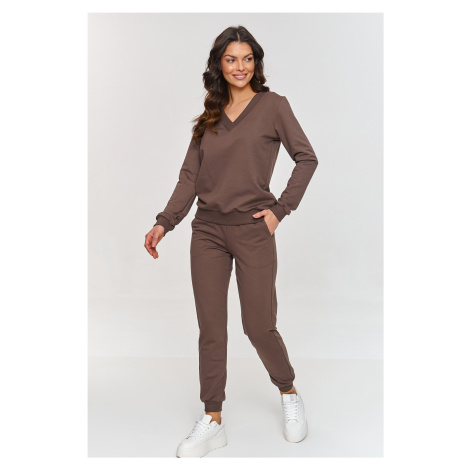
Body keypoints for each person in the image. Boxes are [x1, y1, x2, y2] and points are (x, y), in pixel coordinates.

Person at [144, 25, 319, 458]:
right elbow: (190, 177)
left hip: (253, 230)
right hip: (207, 231)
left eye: (247, 58)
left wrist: (280, 210)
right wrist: (165, 222)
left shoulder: (273, 106)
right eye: (230, 59)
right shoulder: (209, 115)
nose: (240, 67)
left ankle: (288, 391)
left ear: (256, 62)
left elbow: (306, 157)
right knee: (211, 328)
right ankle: (213, 419)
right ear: (218, 65)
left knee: (258, 325)